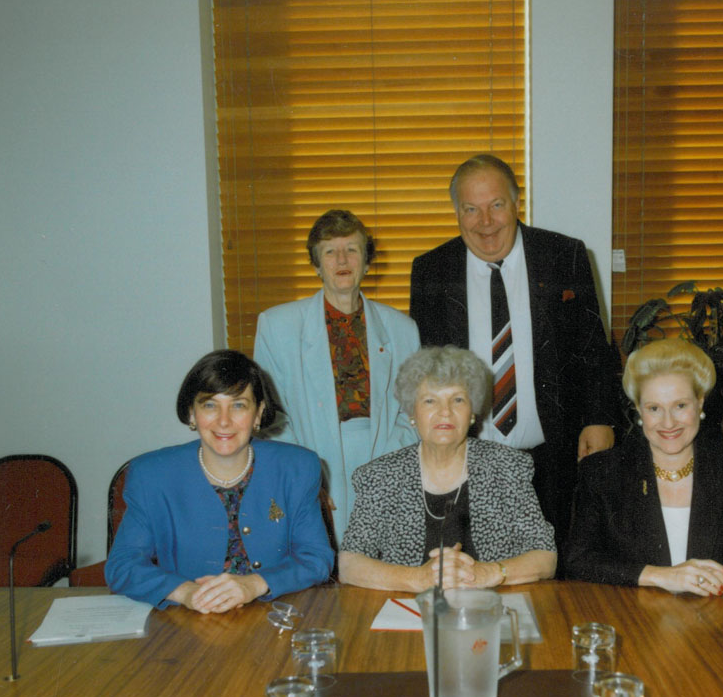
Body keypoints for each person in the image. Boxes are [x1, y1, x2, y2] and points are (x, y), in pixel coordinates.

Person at [409, 153, 623, 560]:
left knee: (552, 566)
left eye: (496, 205)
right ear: (457, 212)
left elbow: (594, 349)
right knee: (472, 569)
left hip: (552, 456)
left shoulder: (564, 255)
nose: (485, 222)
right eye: (471, 209)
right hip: (467, 456)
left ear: (516, 202)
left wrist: (599, 419)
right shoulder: (431, 270)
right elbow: (427, 369)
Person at [564, 339, 723, 593]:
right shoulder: (603, 473)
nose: (668, 422)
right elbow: (578, 560)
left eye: (680, 405)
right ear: (638, 409)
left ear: (700, 403)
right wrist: (660, 576)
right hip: (635, 618)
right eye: (654, 408)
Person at [105, 350, 334, 611]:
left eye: (238, 405)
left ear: (258, 414)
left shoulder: (297, 467)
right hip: (187, 621)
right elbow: (122, 566)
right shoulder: (151, 474)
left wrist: (255, 584)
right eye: (210, 405)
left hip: (276, 614)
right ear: (192, 413)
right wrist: (187, 592)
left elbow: (316, 558)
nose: (224, 421)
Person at [255, 209, 420, 544]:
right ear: (316, 264)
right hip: (309, 454)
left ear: (367, 260)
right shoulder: (278, 325)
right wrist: (304, 477)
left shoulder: (402, 328)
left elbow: (413, 411)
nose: (342, 259)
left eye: (352, 249)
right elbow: (268, 415)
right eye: (330, 251)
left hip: (385, 453)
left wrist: (388, 471)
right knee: (321, 566)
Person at [339, 345, 557, 591]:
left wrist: (489, 573)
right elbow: (349, 564)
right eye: (430, 400)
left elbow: (545, 556)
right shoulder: (380, 476)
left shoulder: (507, 466)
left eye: (458, 400)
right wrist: (419, 579)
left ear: (472, 412)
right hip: (407, 614)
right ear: (412, 413)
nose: (445, 412)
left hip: (491, 608)